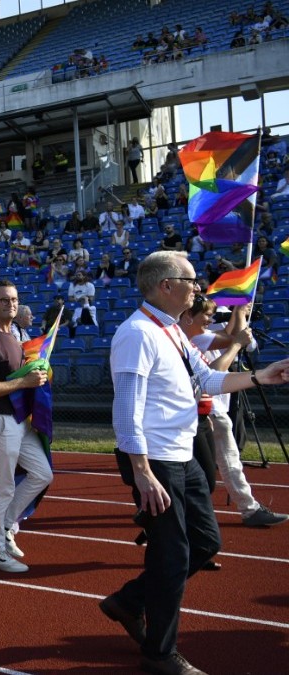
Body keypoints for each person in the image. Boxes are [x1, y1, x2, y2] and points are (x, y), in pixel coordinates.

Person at [101, 251, 289, 675]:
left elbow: (206, 380)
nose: (198, 289)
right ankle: (159, 654)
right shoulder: (137, 334)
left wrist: (262, 375)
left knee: (206, 543)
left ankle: (128, 602)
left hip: (183, 456)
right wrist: (143, 472)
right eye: (190, 280)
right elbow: (126, 411)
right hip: (157, 461)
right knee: (171, 556)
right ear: (165, 285)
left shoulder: (171, 331)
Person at [180, 299, 287, 527]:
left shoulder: (194, 336)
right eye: (206, 316)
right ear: (188, 316)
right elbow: (214, 370)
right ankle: (247, 509)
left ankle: (171, 511)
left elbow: (233, 335)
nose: (210, 320)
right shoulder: (191, 337)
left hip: (209, 406)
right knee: (222, 463)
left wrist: (238, 313)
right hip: (203, 408)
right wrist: (237, 330)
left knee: (209, 467)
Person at [0, 280, 52, 573]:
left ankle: (5, 527)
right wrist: (24, 382)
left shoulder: (15, 338)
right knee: (2, 487)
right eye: (3, 300)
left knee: (43, 473)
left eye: (14, 299)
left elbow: (21, 379)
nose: (10, 304)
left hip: (18, 420)